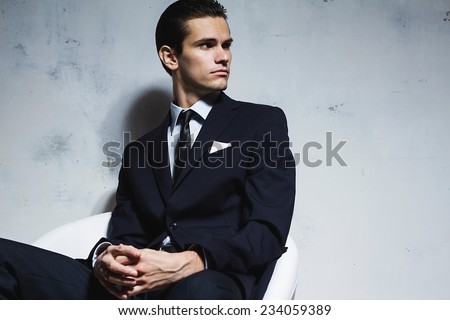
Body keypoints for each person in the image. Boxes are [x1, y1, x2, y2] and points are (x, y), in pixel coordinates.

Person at [0, 0, 295, 300]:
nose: (224, 57)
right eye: (207, 45)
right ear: (170, 57)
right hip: (133, 287)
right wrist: (105, 256)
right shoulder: (139, 152)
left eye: (226, 45)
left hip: (207, 280)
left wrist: (191, 262)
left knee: (198, 290)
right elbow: (126, 236)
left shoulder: (261, 123)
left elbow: (268, 231)